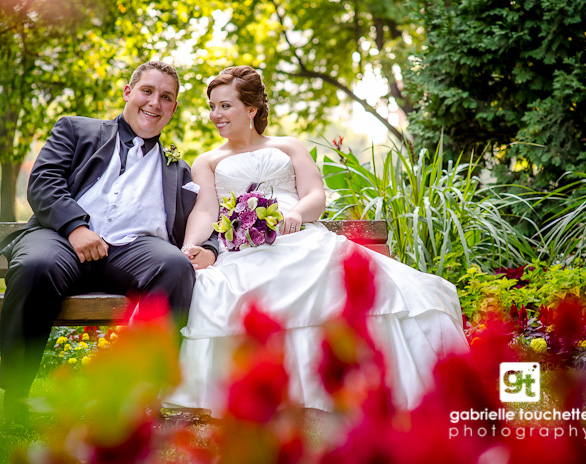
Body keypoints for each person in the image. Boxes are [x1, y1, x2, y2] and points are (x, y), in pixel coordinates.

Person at [163, 66, 469, 416]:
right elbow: (205, 210)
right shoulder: (208, 160)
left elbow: (315, 195)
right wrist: (190, 247)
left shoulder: (287, 146)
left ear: (250, 110)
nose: (215, 115)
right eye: (212, 107)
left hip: (298, 237)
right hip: (243, 247)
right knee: (219, 288)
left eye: (225, 106)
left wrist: (296, 214)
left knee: (346, 279)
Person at [0, 61, 218, 424]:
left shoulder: (178, 168)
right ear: (128, 92)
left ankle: (143, 397)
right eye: (147, 91)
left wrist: (210, 249)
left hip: (132, 252)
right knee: (35, 266)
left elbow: (204, 216)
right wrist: (75, 227)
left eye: (166, 97)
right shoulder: (76, 129)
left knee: (176, 266)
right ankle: (16, 396)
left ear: (173, 108)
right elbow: (44, 181)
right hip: (62, 241)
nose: (155, 103)